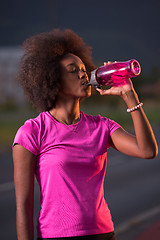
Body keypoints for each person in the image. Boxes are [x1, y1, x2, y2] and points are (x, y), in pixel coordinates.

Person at [12, 29, 158, 240]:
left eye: (83, 69)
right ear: (53, 79)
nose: (83, 74)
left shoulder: (102, 126)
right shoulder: (33, 131)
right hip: (56, 235)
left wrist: (129, 95)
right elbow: (23, 206)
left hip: (103, 234)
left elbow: (147, 151)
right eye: (73, 70)